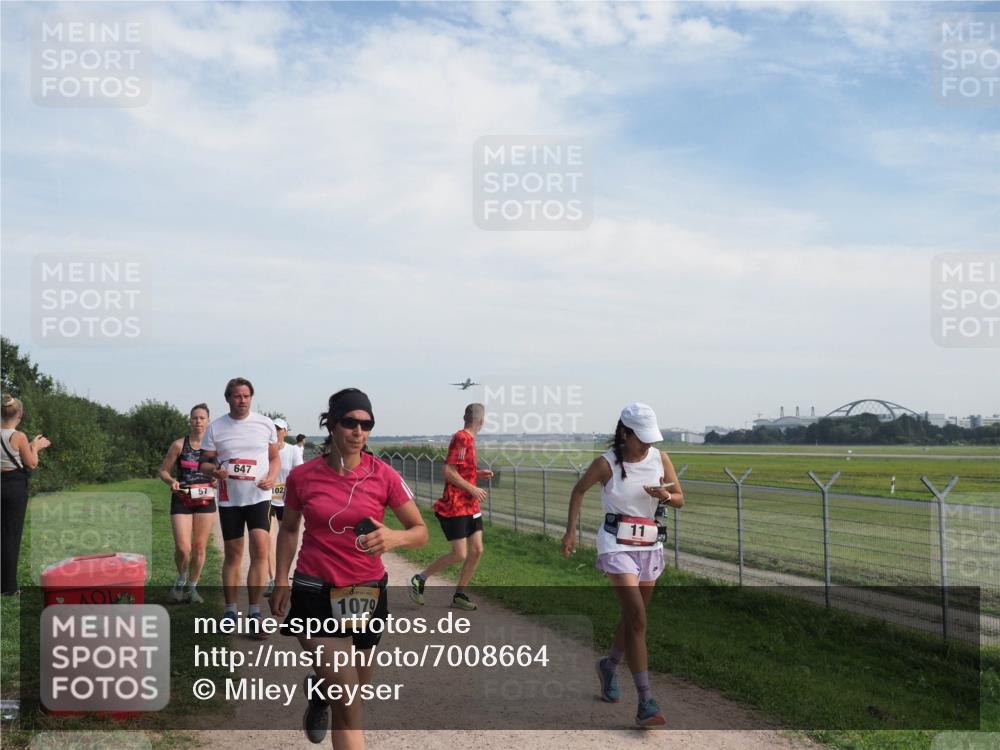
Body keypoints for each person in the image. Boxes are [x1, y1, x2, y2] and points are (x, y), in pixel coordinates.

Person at [270, 388, 427, 749]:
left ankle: (319, 694)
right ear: (331, 425)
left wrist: (394, 539)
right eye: (350, 422)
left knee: (351, 694)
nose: (358, 431)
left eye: (366, 424)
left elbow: (420, 531)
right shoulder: (303, 477)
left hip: (367, 595)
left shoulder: (384, 476)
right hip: (315, 593)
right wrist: (281, 579)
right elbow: (290, 529)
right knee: (350, 701)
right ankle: (328, 692)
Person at [561, 402, 684, 728]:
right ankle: (646, 701)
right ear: (625, 433)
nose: (646, 444)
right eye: (640, 437)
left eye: (649, 437)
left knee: (633, 619)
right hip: (616, 545)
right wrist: (571, 531)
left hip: (649, 545)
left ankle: (609, 665)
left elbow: (681, 498)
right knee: (638, 617)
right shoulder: (607, 463)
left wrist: (664, 495)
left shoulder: (661, 458)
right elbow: (578, 491)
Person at [199, 378, 280, 632]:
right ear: (228, 398)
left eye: (246, 396)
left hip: (259, 497)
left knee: (259, 549)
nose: (242, 400)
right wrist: (215, 471)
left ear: (251, 398)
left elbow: (274, 457)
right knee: (233, 554)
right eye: (237, 396)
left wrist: (271, 477)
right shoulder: (216, 428)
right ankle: (230, 609)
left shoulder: (265, 424)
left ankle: (255, 612)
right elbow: (204, 463)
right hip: (229, 498)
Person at [409, 403, 493, 611]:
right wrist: (473, 488)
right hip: (456, 505)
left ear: (465, 417)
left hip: (470, 506)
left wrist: (477, 474)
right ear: (481, 421)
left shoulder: (469, 440)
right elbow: (448, 471)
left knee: (477, 550)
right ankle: (420, 579)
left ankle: (459, 595)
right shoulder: (462, 438)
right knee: (460, 554)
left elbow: (460, 470)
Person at [158, 403, 217, 604]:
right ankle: (181, 579)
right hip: (182, 498)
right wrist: (171, 481)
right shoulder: (178, 445)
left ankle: (192, 588)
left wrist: (218, 479)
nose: (198, 421)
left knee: (199, 547)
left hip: (205, 499)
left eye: (202, 418)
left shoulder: (215, 447)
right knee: (183, 548)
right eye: (194, 418)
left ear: (208, 421)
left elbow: (221, 471)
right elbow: (163, 471)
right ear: (190, 420)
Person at [1, 394, 51, 596]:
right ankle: (9, 588)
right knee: (11, 536)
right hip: (14, 488)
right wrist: (35, 447)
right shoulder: (18, 436)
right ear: (19, 415)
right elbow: (30, 463)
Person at [266, 417, 302, 596]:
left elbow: (299, 474)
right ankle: (272, 579)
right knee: (267, 538)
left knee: (285, 538)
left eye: (279, 428)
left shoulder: (294, 450)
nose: (276, 431)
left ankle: (284, 576)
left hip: (286, 500)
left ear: (285, 432)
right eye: (273, 427)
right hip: (266, 498)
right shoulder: (264, 449)